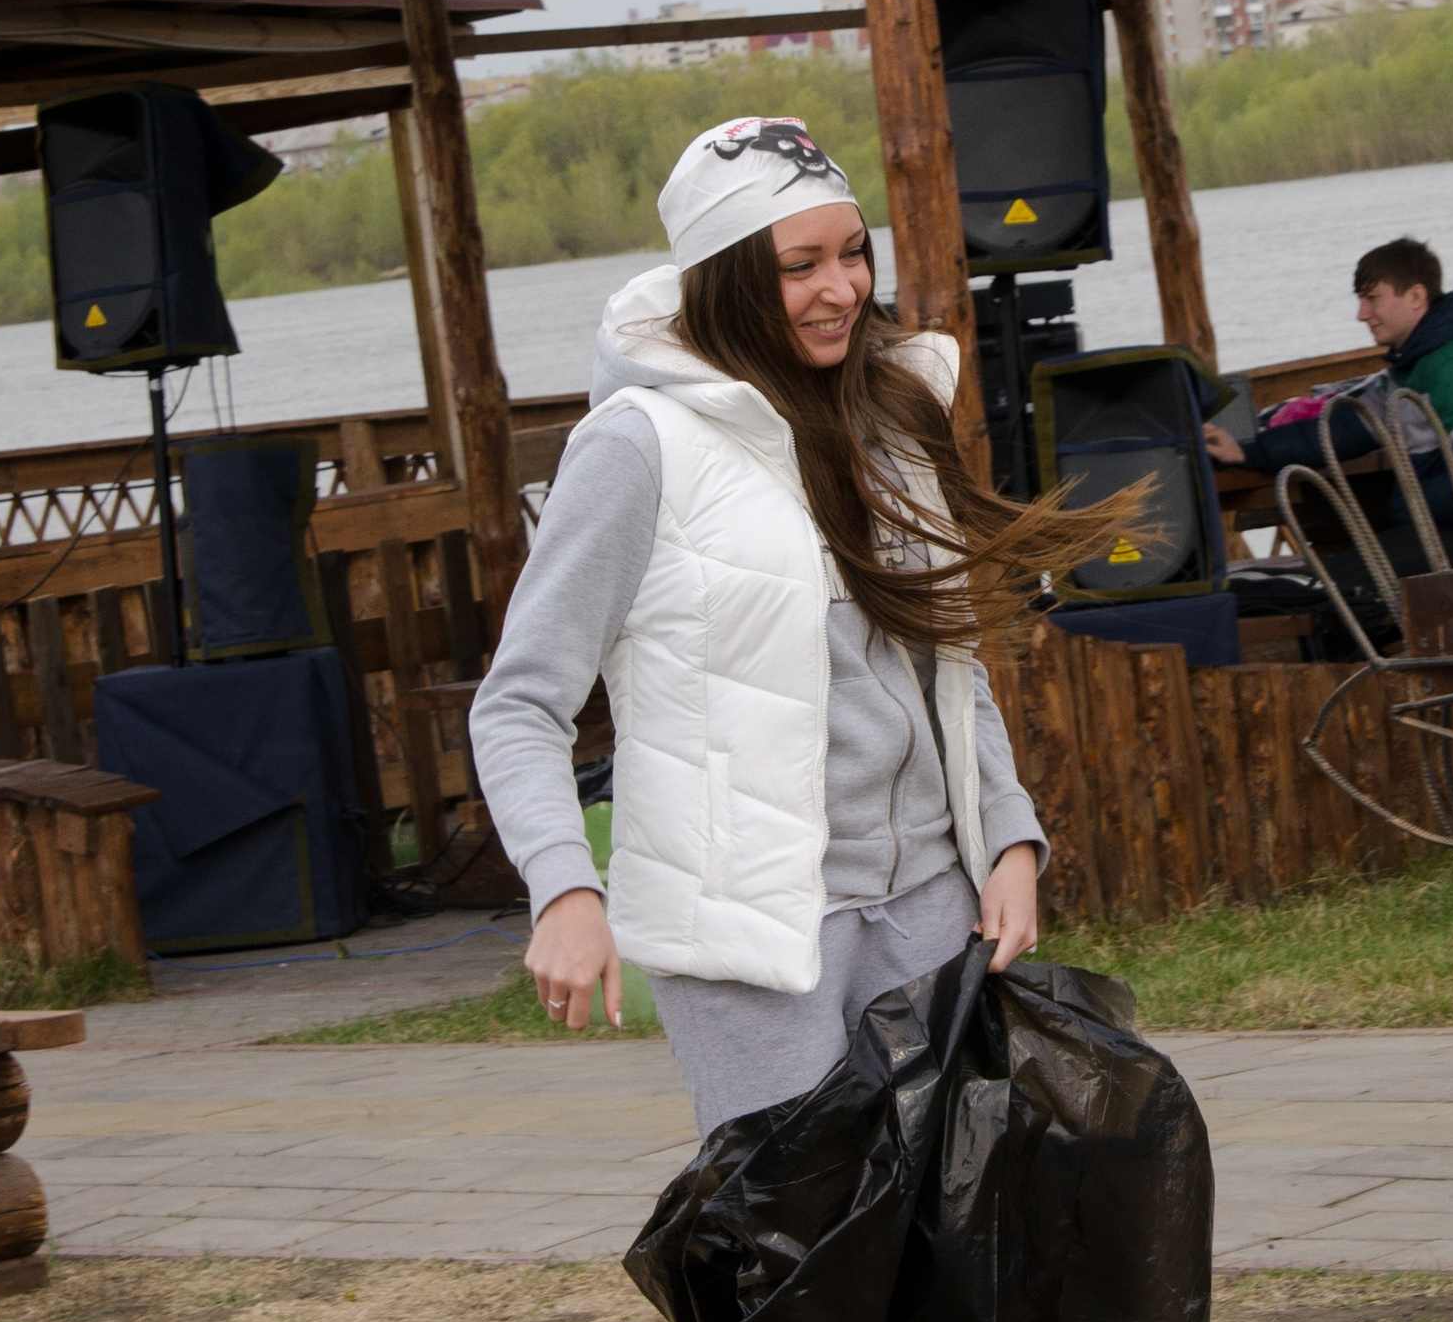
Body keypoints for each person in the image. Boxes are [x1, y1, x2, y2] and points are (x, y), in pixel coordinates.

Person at [470, 113, 1097, 1138]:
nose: (841, 287)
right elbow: (519, 704)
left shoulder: (890, 418)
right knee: (806, 1262)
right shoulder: (637, 449)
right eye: (798, 264)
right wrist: (562, 888)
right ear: (723, 278)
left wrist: (1007, 839)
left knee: (957, 1240)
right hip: (749, 940)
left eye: (853, 253)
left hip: (930, 910)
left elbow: (948, 658)